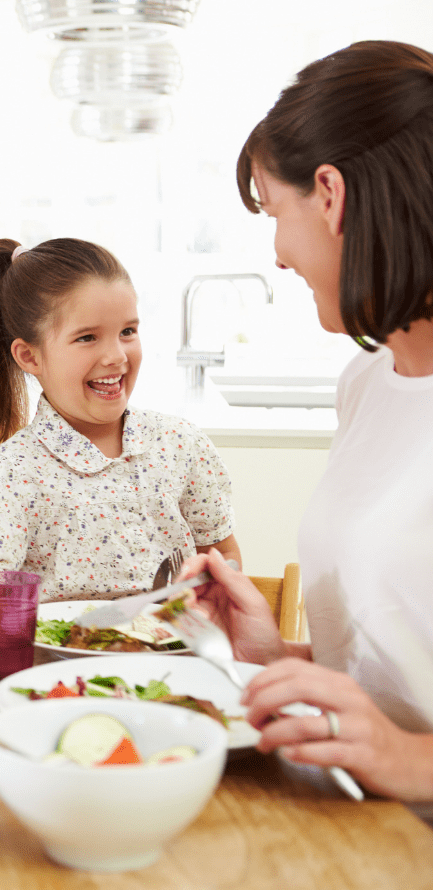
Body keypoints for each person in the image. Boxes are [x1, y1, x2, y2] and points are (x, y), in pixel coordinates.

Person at [178, 40, 433, 810]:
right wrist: (274, 654)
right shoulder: (368, 383)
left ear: (331, 194)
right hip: (358, 821)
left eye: (273, 211)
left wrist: (410, 762)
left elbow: (402, 734)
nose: (280, 257)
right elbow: (402, 663)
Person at [0, 237, 241, 602]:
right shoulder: (8, 478)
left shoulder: (181, 445)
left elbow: (223, 555)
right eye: (87, 337)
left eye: (128, 332)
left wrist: (208, 599)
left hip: (173, 655)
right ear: (30, 357)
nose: (116, 356)